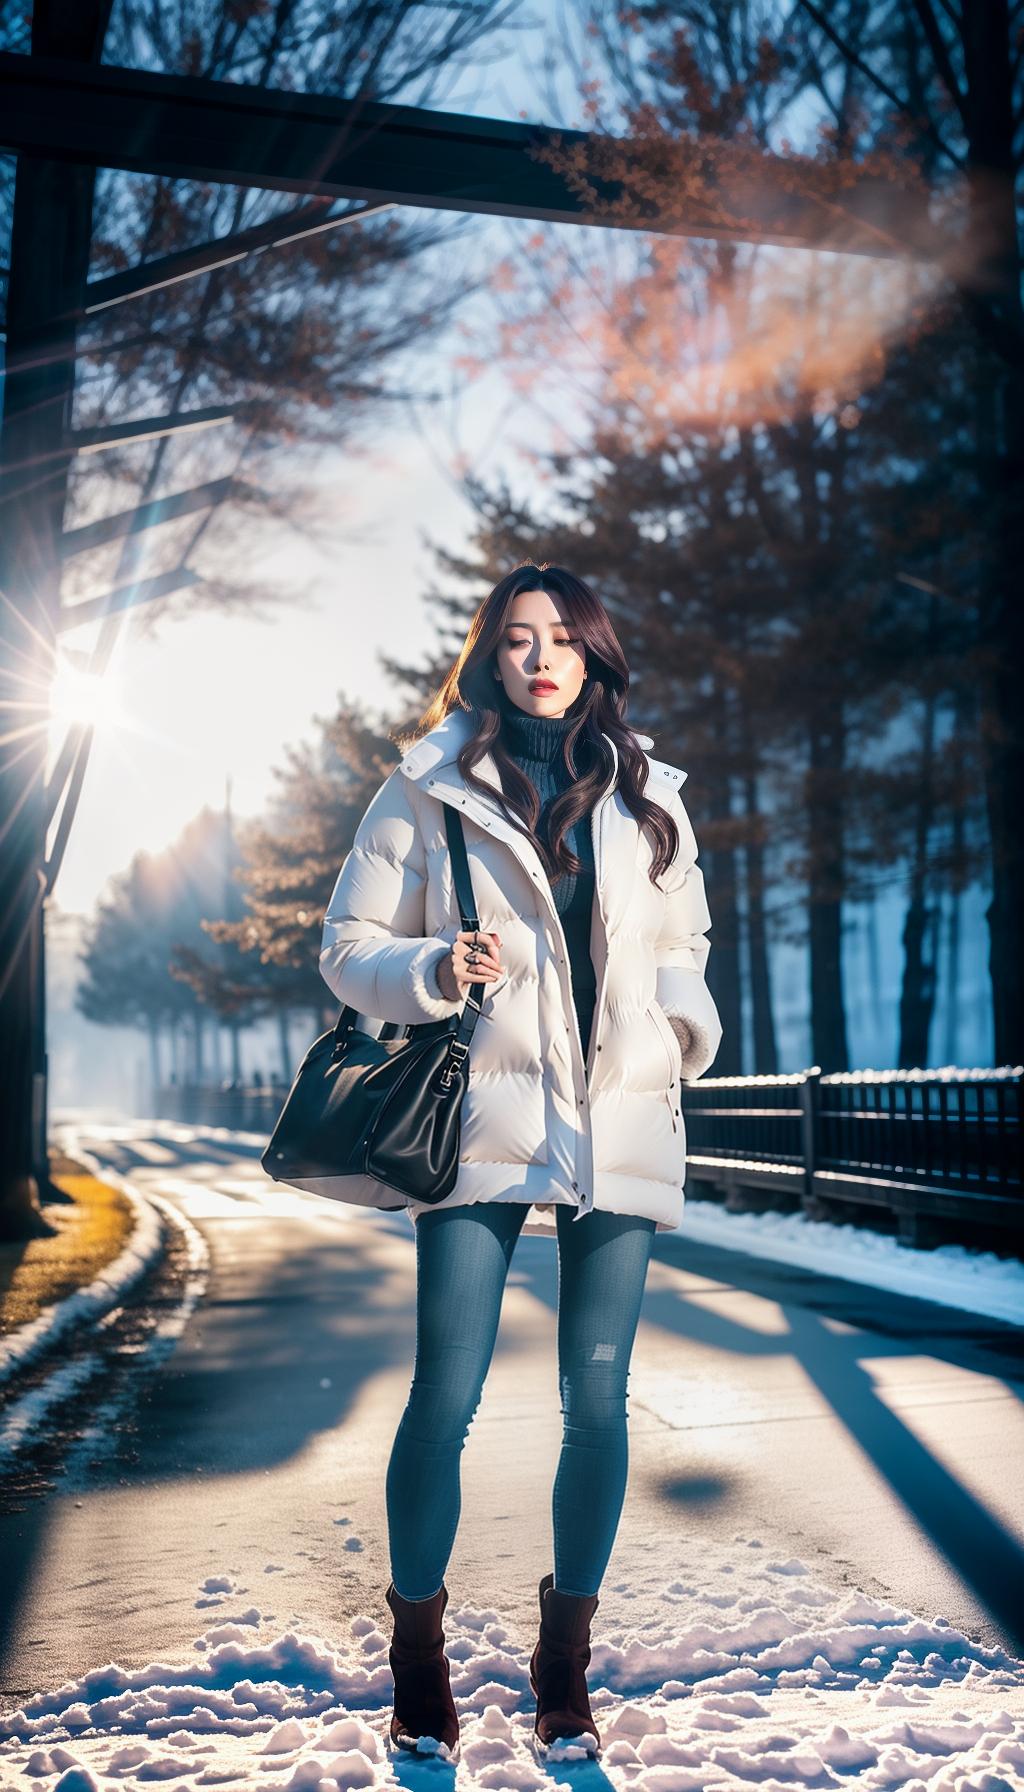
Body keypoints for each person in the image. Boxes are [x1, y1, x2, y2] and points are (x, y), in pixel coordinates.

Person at [318, 562, 723, 1763]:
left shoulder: (651, 793)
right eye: (515, 640)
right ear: (487, 657)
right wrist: (435, 967)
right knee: (444, 1396)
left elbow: (684, 934)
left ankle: (563, 1662)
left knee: (596, 1402)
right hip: (477, 1121)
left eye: (561, 639)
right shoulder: (425, 787)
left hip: (618, 1116)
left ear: (595, 656)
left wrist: (682, 1028)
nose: (539, 658)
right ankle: (419, 1655)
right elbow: (345, 947)